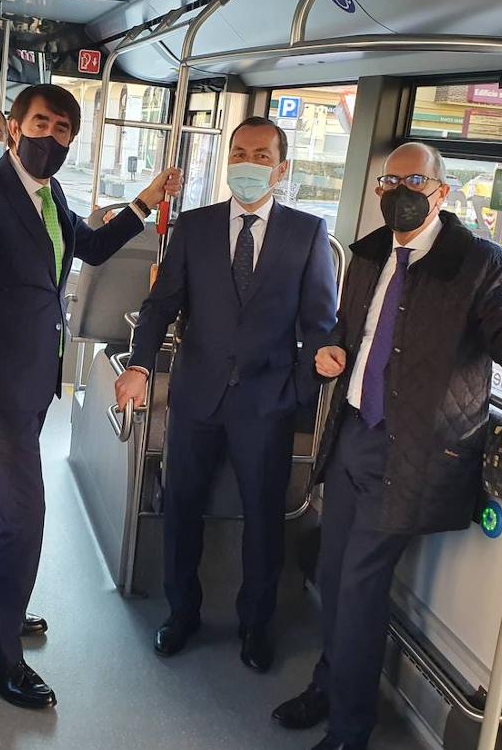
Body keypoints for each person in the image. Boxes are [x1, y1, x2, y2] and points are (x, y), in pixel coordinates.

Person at [271, 142, 502, 750]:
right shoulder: (368, 255)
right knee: (332, 574)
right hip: (352, 440)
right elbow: (349, 332)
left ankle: (348, 730)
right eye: (387, 182)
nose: (398, 192)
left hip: (411, 455)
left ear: (441, 191)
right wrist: (328, 355)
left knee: (359, 590)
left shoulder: (480, 266)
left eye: (413, 180)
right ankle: (329, 686)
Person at [0, 83, 182, 710]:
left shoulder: (48, 194)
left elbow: (94, 246)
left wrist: (144, 201)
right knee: (24, 516)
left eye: (62, 131)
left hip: (32, 378)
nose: (49, 138)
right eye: (40, 124)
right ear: (12, 127)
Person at [115, 116, 338, 673]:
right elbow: (161, 306)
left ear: (281, 169)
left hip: (266, 402)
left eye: (261, 156)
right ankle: (181, 613)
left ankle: (254, 626)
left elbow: (319, 323)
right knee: (181, 510)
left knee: (263, 520)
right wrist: (141, 365)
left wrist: (301, 383)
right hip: (196, 397)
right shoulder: (195, 226)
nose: (248, 163)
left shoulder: (307, 233)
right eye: (239, 152)